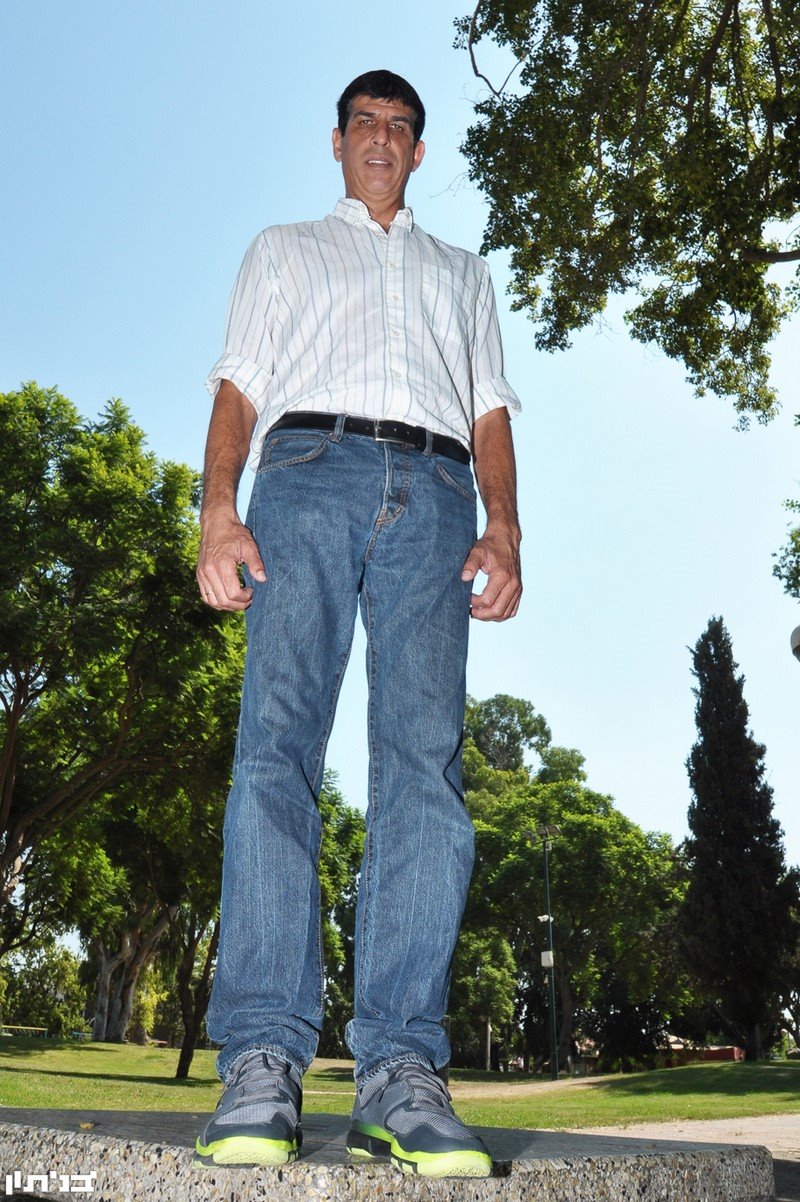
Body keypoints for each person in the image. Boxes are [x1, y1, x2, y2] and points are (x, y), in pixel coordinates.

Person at [194, 69, 522, 1180]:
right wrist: (218, 510)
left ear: (419, 152)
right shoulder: (283, 249)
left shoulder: (461, 272)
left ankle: (399, 1073)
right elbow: (238, 387)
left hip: (436, 492)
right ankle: (260, 1061)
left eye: (400, 127)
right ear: (336, 142)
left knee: (423, 766)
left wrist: (504, 526)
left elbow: (488, 407)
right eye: (365, 123)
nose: (382, 138)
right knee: (275, 749)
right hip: (306, 469)